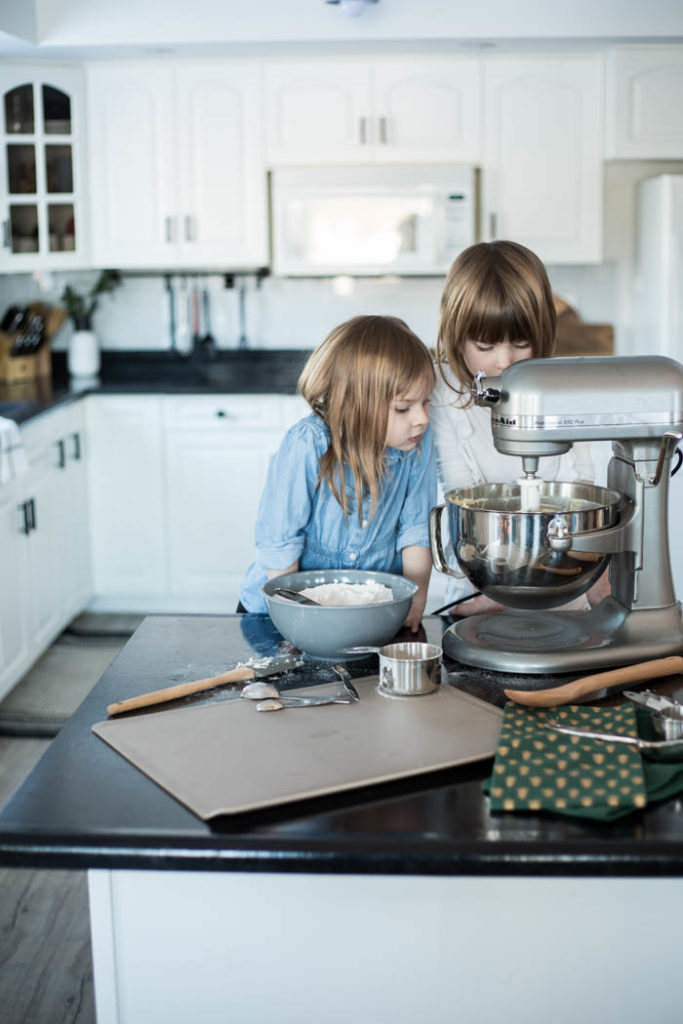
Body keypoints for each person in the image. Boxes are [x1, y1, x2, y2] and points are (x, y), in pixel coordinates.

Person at [430, 239, 607, 616]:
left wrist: (600, 588)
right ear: (455, 333)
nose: (504, 360)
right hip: (476, 590)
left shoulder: (563, 386)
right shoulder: (440, 391)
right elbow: (462, 496)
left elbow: (583, 488)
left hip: (563, 591)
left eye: (521, 343)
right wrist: (494, 594)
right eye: (485, 345)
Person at [239, 314, 437, 632]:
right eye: (404, 407)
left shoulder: (417, 447)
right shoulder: (308, 444)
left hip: (366, 617)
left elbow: (415, 532)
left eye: (426, 402)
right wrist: (293, 619)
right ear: (356, 404)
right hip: (278, 613)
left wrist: (416, 598)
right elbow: (280, 543)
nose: (422, 418)